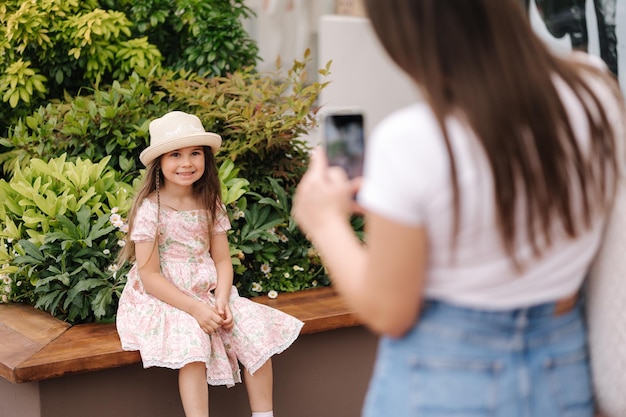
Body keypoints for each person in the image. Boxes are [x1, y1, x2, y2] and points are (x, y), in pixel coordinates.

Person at [292, 1, 625, 416]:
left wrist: (324, 220)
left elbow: (387, 310)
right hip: (560, 373)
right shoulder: (594, 93)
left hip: (443, 384)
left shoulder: (413, 140)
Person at [116, 111, 303, 417]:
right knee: (193, 340)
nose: (186, 163)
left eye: (195, 154)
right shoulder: (151, 209)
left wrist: (221, 300)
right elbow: (149, 276)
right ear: (160, 162)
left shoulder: (210, 202)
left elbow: (221, 260)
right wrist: (196, 309)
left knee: (252, 329)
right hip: (165, 296)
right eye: (175, 154)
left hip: (208, 290)